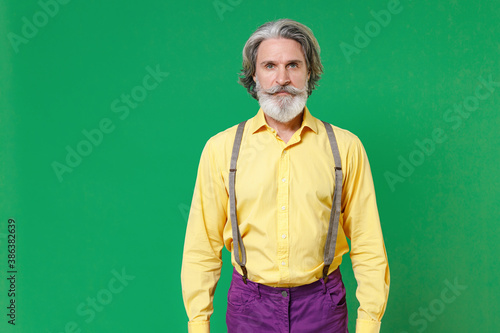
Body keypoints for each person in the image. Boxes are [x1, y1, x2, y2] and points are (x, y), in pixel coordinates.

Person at [181, 18, 390, 333]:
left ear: (309, 72)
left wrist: (369, 322)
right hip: (249, 304)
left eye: (293, 65)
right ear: (255, 75)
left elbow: (367, 241)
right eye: (269, 65)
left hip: (323, 303)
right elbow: (202, 245)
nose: (282, 78)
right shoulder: (221, 148)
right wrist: (198, 323)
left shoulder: (345, 147)